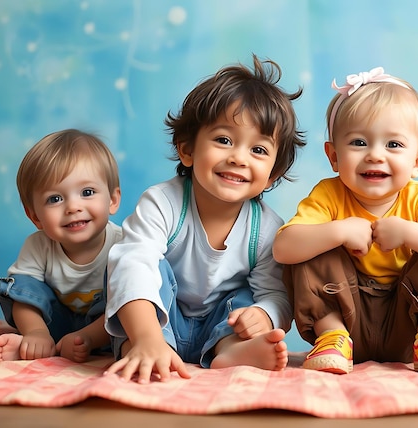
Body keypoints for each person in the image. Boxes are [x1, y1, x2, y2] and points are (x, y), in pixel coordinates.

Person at [104, 54, 306, 384]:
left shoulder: (267, 228)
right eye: (223, 140)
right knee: (139, 267)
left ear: (272, 175)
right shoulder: (163, 202)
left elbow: (277, 295)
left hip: (218, 326)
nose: (238, 157)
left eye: (258, 150)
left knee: (245, 298)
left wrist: (263, 315)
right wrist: (147, 337)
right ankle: (143, 347)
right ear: (187, 150)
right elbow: (132, 264)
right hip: (158, 324)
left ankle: (229, 351)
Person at [273, 67, 418, 375]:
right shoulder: (329, 195)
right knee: (311, 243)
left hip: (408, 323)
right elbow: (283, 249)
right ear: (334, 156)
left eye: (393, 145)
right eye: (358, 143)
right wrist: (339, 231)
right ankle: (331, 337)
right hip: (347, 319)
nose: (375, 156)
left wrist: (410, 233)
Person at [0, 129, 122, 363]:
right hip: (55, 324)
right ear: (35, 217)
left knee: (131, 294)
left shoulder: (122, 243)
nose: (73, 207)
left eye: (87, 192)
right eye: (55, 199)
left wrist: (87, 337)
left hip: (104, 329)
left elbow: (128, 306)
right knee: (21, 286)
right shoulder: (38, 245)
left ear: (112, 200)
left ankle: (76, 343)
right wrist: (37, 333)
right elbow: (24, 297)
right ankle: (38, 343)